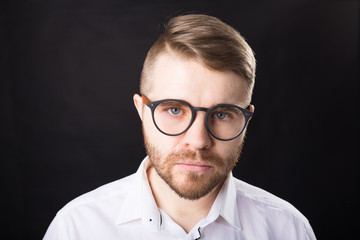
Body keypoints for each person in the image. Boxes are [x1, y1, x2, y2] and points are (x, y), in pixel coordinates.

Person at [43, 14, 316, 240]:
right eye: (174, 110)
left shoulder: (287, 230)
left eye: (222, 114)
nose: (198, 140)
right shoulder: (76, 228)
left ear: (246, 119)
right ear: (141, 110)